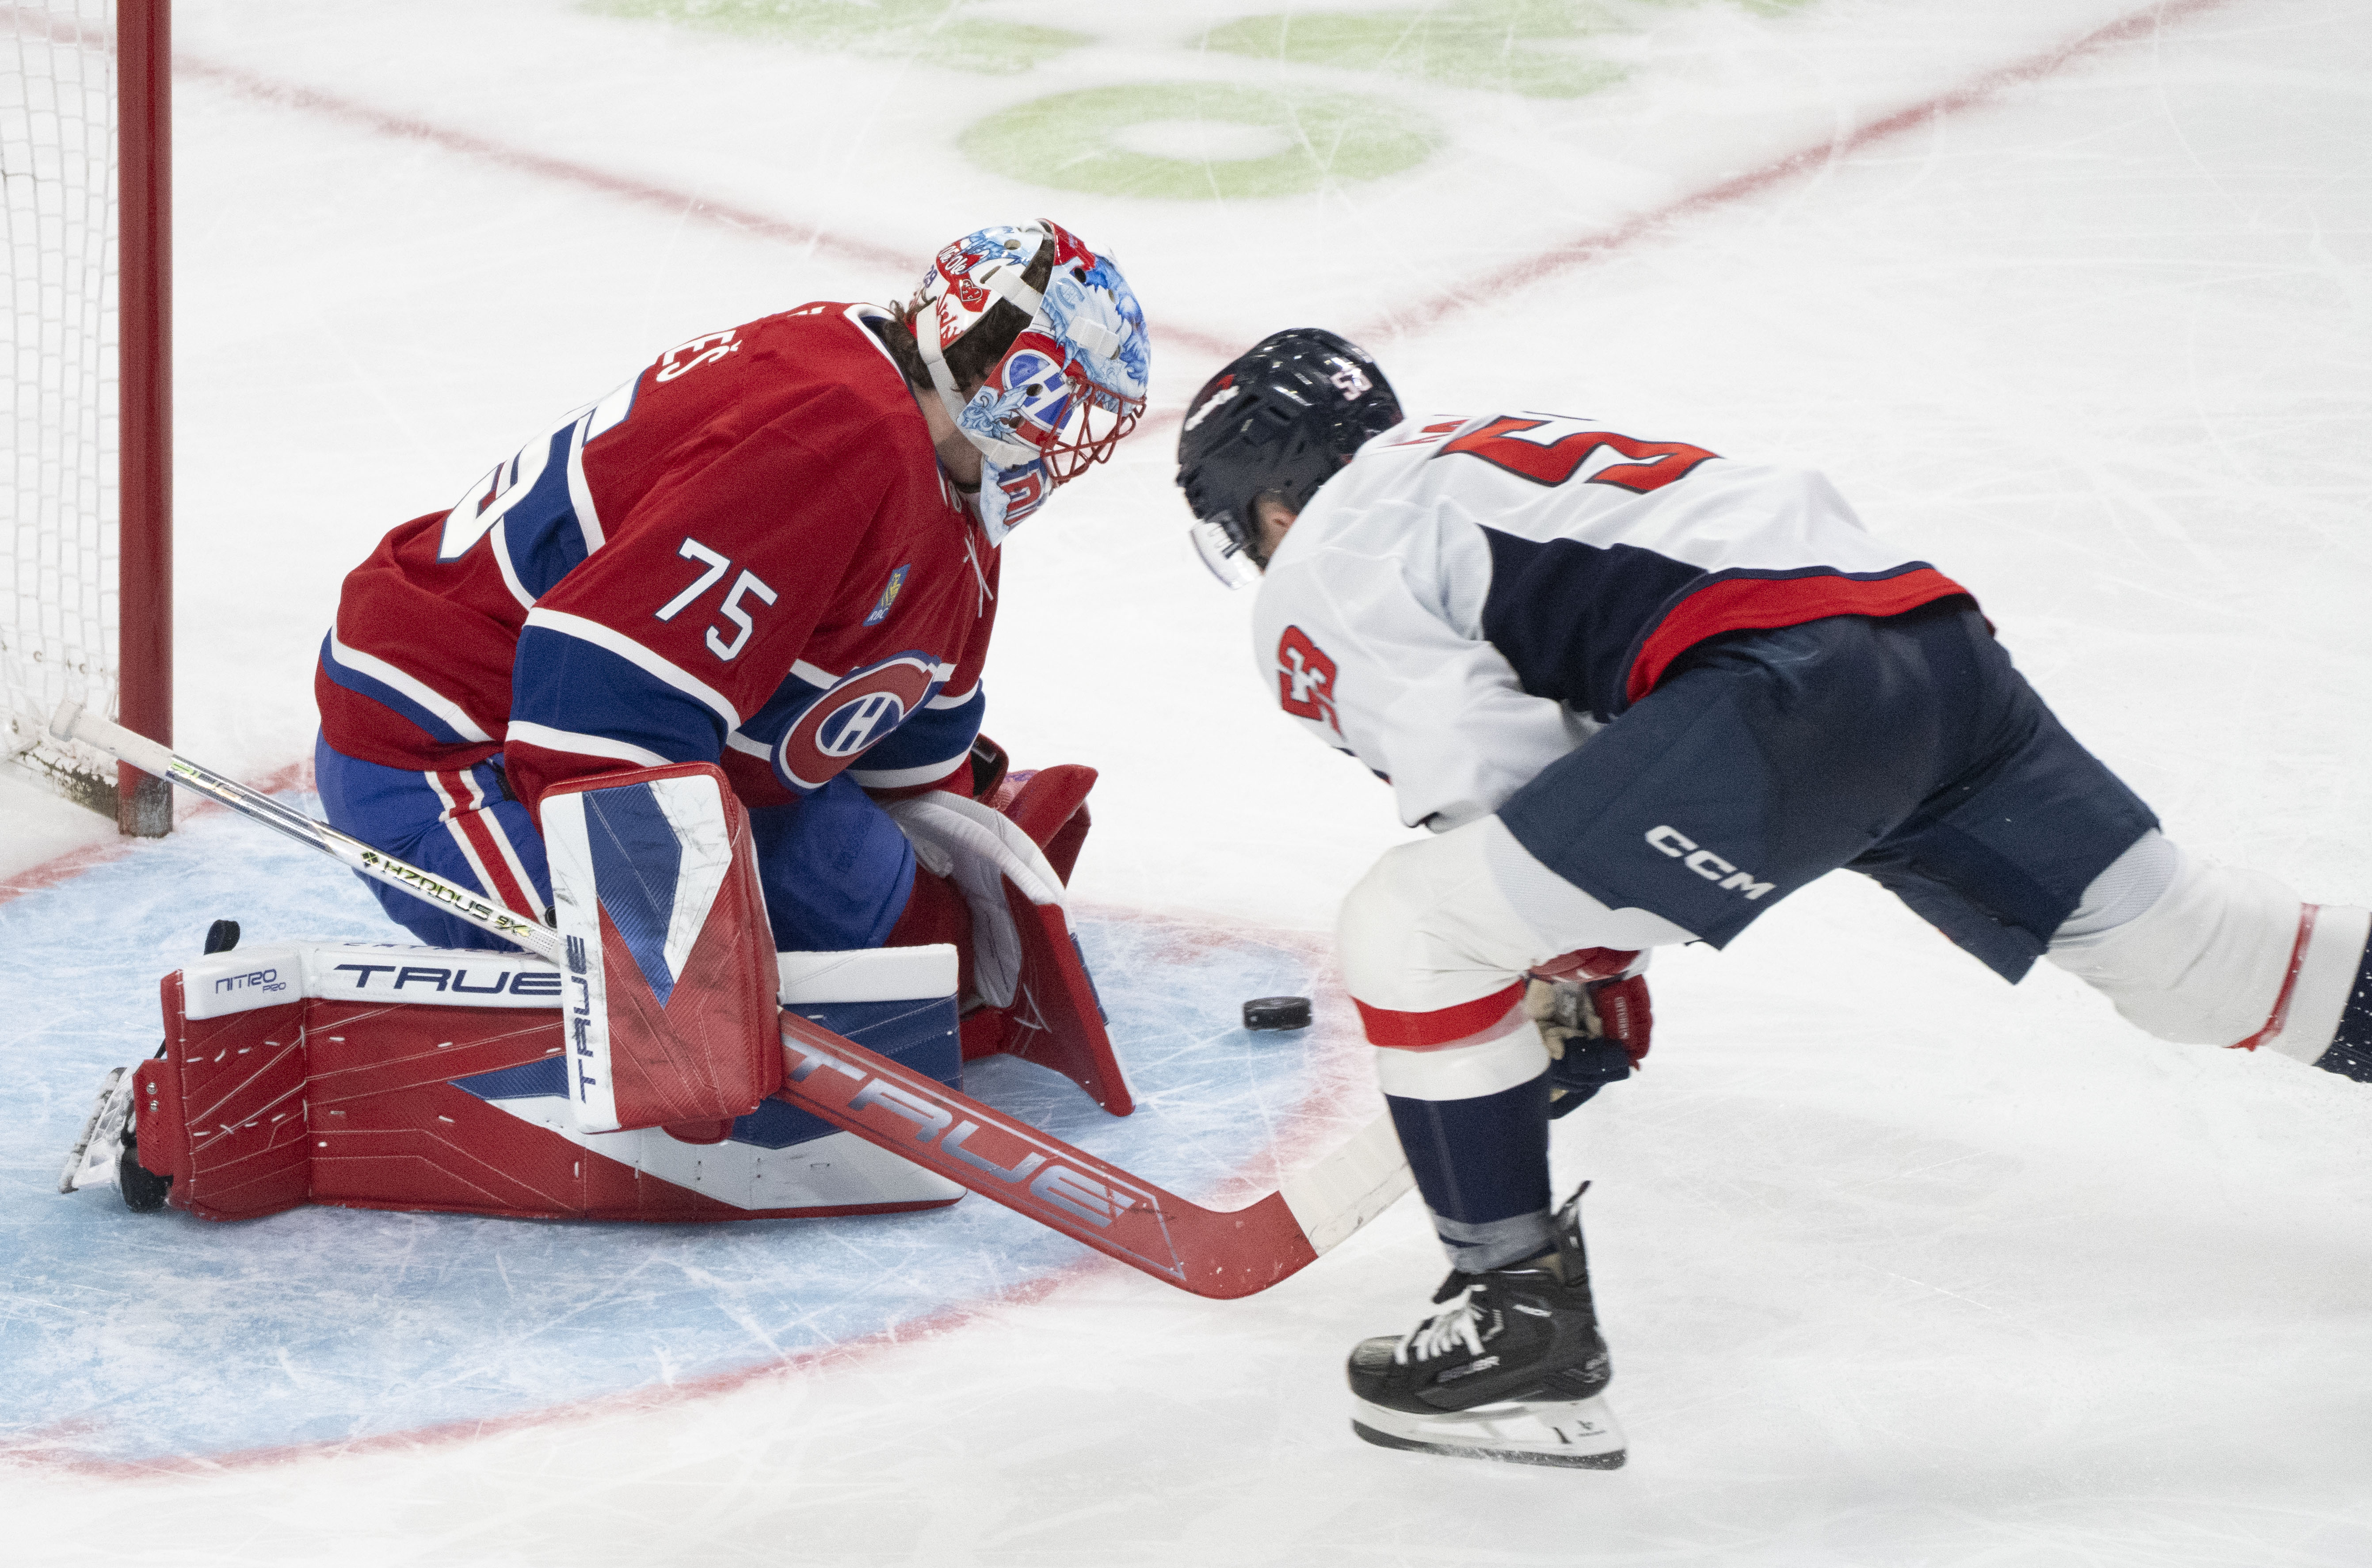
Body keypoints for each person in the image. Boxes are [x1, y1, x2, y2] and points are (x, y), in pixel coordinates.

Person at [1173, 327, 2372, 1469]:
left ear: (1273, 502)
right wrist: (1583, 936)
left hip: (1786, 692)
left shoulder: (1327, 549)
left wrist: (1574, 964)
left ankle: (1515, 1327)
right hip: (1930, 649)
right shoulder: (1468, 453)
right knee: (2199, 959)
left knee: (1411, 926)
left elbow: (1498, 783)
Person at [313, 220, 1149, 1006]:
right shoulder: (834, 434)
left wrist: (949, 831)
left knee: (897, 947)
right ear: (1006, 378)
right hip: (451, 743)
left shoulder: (937, 459)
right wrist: (679, 993)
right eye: (1061, 398)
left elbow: (906, 686)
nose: (1064, 434)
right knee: (710, 987)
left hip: (624, 728)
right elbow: (602, 698)